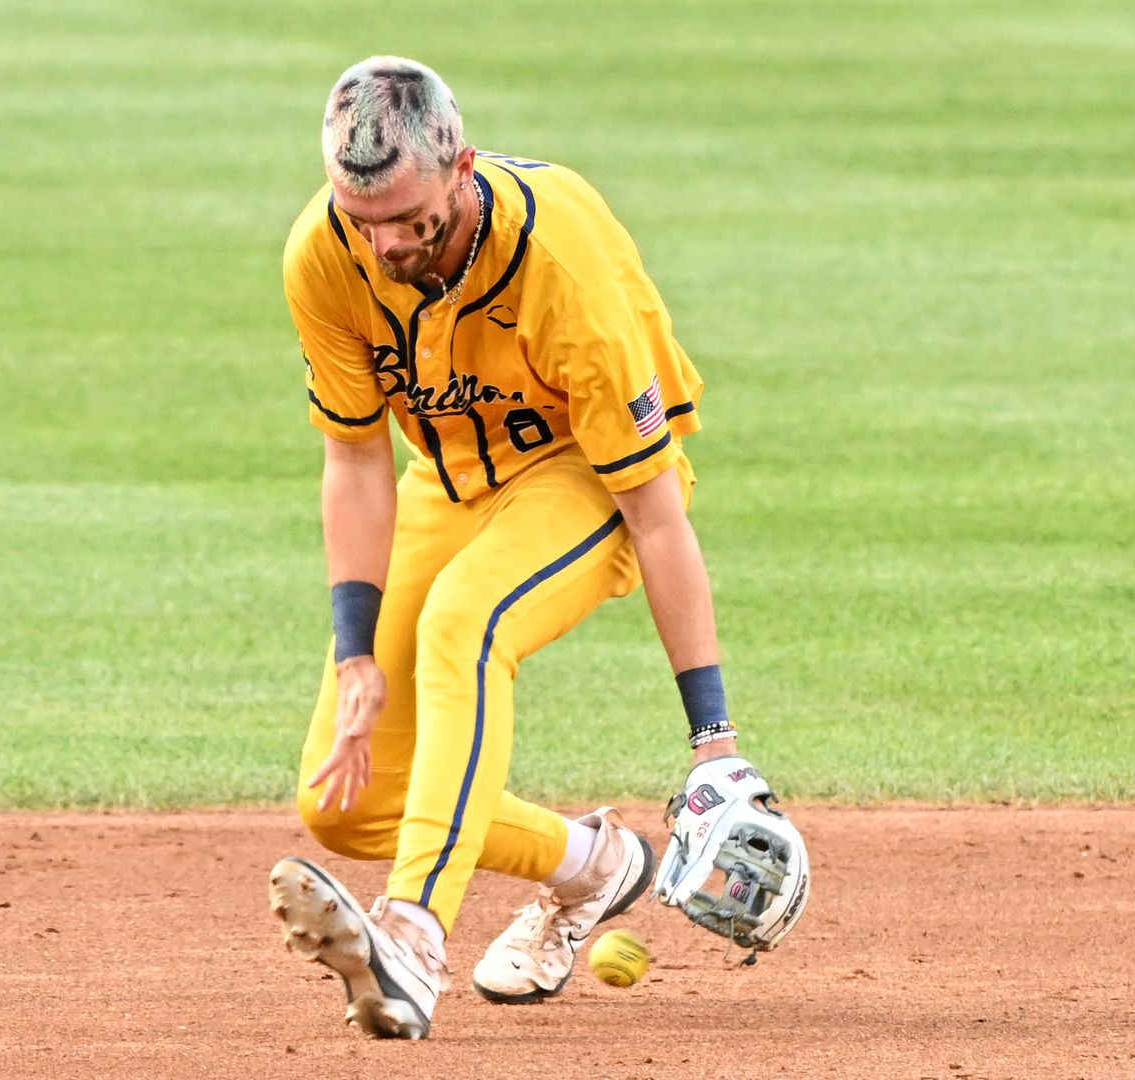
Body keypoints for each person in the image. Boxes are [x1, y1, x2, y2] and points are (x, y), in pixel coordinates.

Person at [267, 55, 759, 1040]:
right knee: (344, 806)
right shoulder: (324, 255)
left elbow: (659, 513)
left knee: (466, 619)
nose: (390, 243)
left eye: (412, 219)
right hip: (446, 486)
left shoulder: (557, 256)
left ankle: (411, 938)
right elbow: (357, 459)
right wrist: (356, 649)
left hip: (590, 484)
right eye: (367, 221)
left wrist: (717, 744)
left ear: (463, 169)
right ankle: (595, 867)